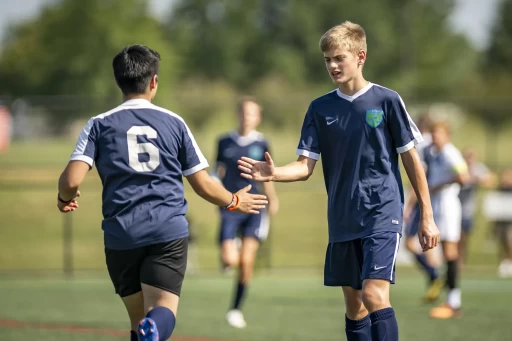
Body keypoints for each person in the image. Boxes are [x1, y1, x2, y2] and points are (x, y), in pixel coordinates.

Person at [237, 22, 439, 341]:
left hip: (381, 214)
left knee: (374, 295)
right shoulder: (320, 108)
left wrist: (427, 215)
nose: (332, 65)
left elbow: (411, 158)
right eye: (327, 59)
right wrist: (273, 173)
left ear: (360, 56)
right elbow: (305, 167)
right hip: (343, 219)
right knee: (354, 305)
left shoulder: (386, 101)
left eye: (339, 58)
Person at [56, 45, 267, 341]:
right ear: (154, 81)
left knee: (136, 320)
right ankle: (154, 328)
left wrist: (65, 199)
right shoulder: (174, 123)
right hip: (166, 231)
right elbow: (203, 184)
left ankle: (148, 328)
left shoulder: (98, 124)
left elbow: (70, 180)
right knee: (161, 312)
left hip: (122, 234)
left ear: (118, 81)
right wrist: (234, 200)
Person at [214, 96, 279, 328]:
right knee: (229, 260)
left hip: (255, 206)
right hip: (231, 205)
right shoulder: (224, 141)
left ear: (258, 117)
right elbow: (217, 173)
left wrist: (272, 198)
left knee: (246, 262)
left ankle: (235, 309)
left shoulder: (262, 144)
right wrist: (217, 196)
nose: (247, 117)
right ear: (237, 114)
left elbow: (267, 174)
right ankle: (232, 251)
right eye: (243, 112)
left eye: (252, 113)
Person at [422, 121, 469, 319]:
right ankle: (448, 298)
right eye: (433, 133)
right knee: (440, 253)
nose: (435, 137)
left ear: (447, 136)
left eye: (439, 134)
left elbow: (463, 176)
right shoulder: (434, 153)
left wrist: (439, 185)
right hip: (438, 206)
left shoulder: (450, 152)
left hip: (449, 207)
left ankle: (454, 302)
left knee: (450, 253)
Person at [403, 113, 443, 303]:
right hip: (437, 200)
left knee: (411, 244)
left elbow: (419, 176)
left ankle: (435, 277)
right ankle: (435, 281)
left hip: (423, 202)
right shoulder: (433, 146)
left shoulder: (420, 146)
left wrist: (409, 205)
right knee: (430, 245)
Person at [458, 148, 495, 266]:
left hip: (468, 210)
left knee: (464, 237)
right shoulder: (459, 167)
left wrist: (477, 180)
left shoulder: (477, 168)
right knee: (456, 236)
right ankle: (456, 261)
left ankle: (461, 260)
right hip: (455, 208)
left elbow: (490, 180)